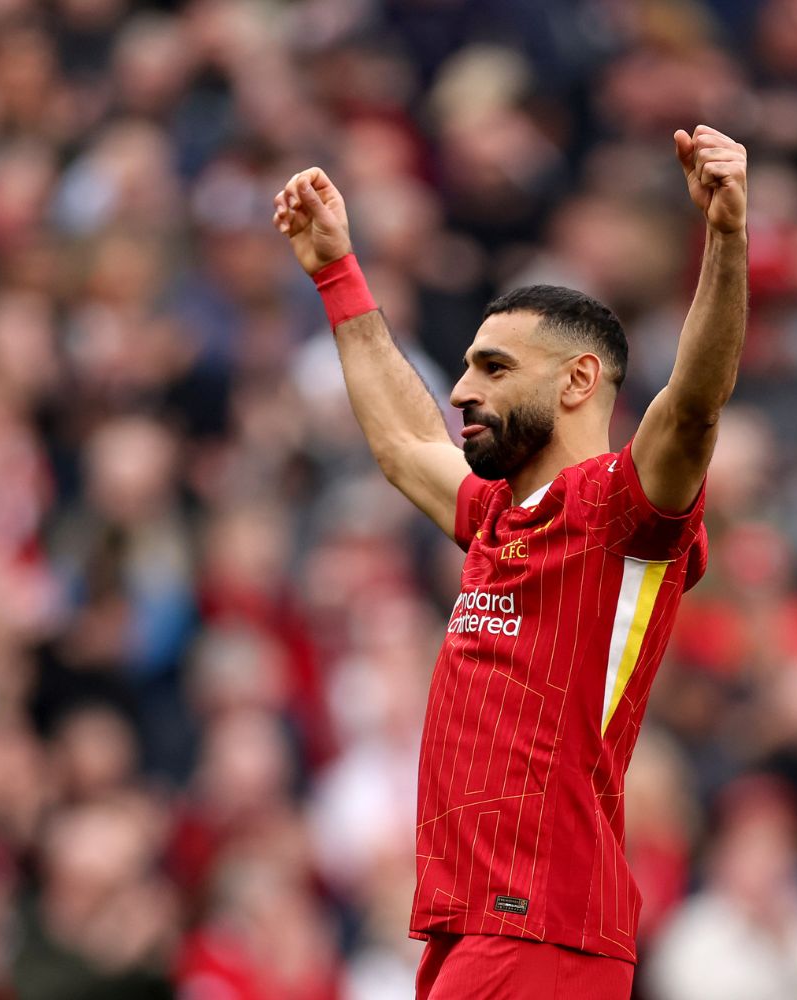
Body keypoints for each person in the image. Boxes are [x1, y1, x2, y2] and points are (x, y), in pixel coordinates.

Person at [272, 124, 748, 1000]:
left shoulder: (622, 512)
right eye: (464, 368)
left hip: (541, 923)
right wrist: (336, 274)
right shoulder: (498, 518)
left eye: (493, 368)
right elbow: (407, 441)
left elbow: (692, 411)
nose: (462, 391)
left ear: (576, 382)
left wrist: (724, 239)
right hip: (476, 924)